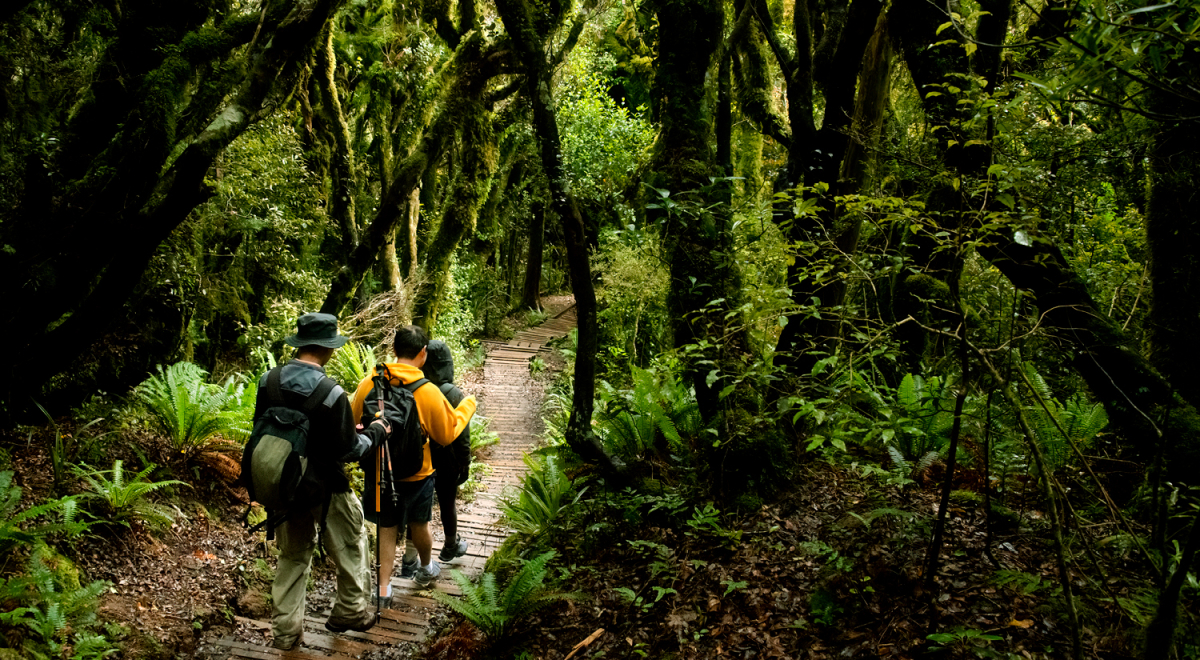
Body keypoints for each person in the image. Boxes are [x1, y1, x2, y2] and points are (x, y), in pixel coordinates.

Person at [253, 313, 393, 651]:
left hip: (284, 485)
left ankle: (286, 632)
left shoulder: (267, 381)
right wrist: (375, 431)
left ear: (300, 344)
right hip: (325, 485)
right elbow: (348, 450)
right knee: (350, 542)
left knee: (293, 555)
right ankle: (350, 610)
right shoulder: (330, 393)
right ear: (328, 348)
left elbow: (262, 428)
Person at [351, 326, 477, 601]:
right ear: (423, 353)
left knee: (386, 526)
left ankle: (383, 588)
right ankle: (425, 568)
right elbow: (446, 434)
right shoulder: (427, 391)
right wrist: (468, 406)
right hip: (418, 473)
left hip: (380, 471)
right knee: (420, 524)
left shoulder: (369, 383)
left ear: (394, 350)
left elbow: (352, 423)